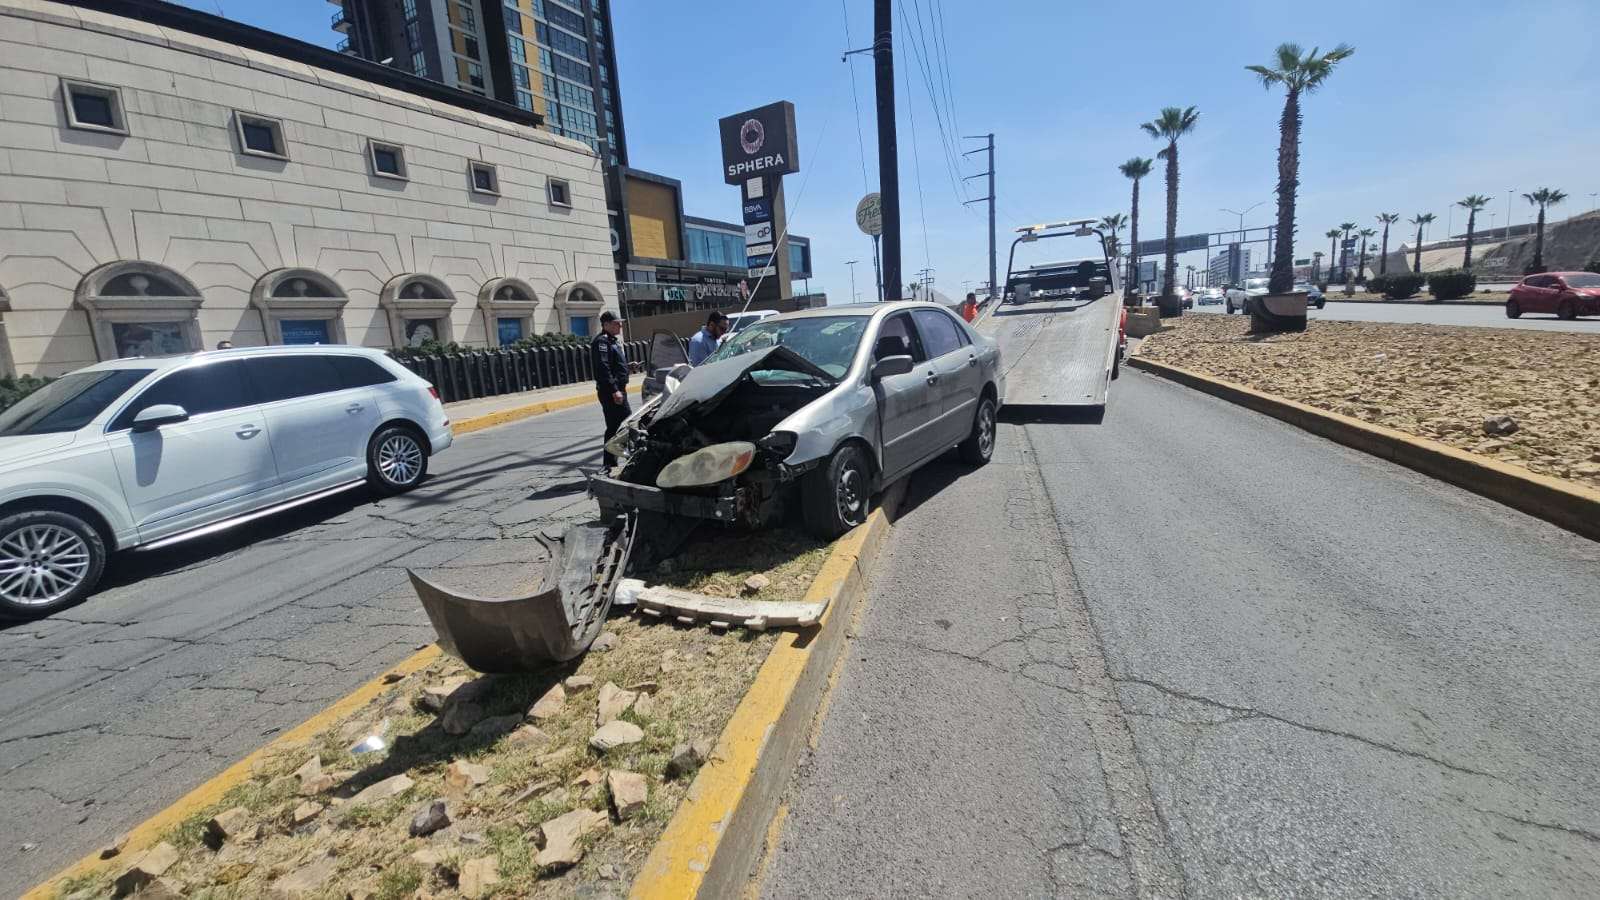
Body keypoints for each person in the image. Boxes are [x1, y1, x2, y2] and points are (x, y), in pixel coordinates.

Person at [592, 310, 631, 468]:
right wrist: (614, 390)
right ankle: (613, 461)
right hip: (611, 392)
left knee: (616, 426)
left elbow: (613, 365)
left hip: (618, 389)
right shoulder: (601, 342)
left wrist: (628, 367)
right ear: (606, 324)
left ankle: (610, 463)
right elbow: (603, 368)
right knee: (625, 424)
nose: (620, 326)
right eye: (616, 323)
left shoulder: (612, 341)